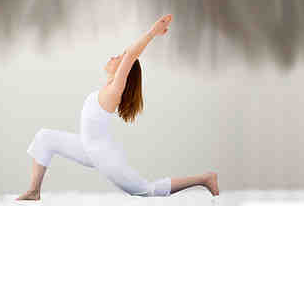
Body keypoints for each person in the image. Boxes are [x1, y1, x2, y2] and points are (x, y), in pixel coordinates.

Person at [16, 14, 219, 201]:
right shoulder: (106, 90)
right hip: (87, 147)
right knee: (44, 138)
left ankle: (204, 178)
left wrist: (153, 33)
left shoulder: (114, 91)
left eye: (118, 58)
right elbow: (128, 55)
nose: (113, 57)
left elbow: (131, 55)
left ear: (124, 71)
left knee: (146, 191)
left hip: (104, 155)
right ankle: (34, 191)